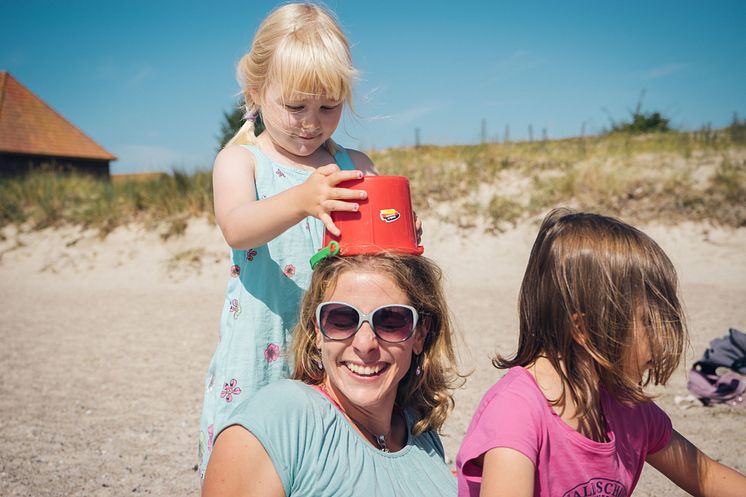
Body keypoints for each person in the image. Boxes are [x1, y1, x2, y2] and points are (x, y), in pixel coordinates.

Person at [198, 2, 378, 477]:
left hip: (336, 337)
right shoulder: (242, 161)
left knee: (329, 455)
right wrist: (302, 199)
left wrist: (396, 232)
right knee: (251, 458)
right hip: (265, 337)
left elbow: (375, 250)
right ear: (256, 93)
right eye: (295, 106)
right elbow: (237, 226)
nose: (311, 122)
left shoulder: (352, 165)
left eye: (328, 107)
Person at [456, 209, 746, 497]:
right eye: (647, 322)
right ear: (583, 328)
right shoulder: (516, 414)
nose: (659, 339)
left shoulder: (625, 407)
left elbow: (707, 477)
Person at [202, 253, 460, 496]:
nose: (364, 343)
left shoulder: (418, 427)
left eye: (391, 321)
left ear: (420, 334)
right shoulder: (280, 419)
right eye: (341, 319)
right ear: (317, 331)